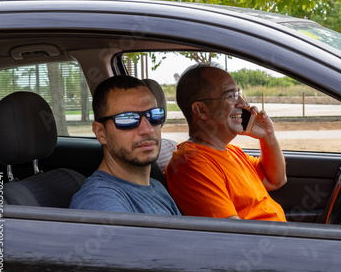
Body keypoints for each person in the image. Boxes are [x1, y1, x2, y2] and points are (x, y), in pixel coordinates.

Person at [165, 63, 287, 221]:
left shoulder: (231, 151)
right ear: (201, 110)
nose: (244, 104)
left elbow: (275, 180)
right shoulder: (193, 165)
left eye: (239, 94)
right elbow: (232, 235)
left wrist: (267, 136)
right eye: (231, 97)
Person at [70, 75, 180, 215]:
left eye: (154, 115)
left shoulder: (155, 186)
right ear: (100, 133)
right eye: (127, 119)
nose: (148, 129)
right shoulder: (100, 202)